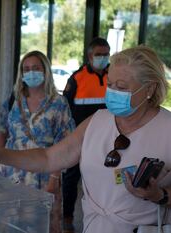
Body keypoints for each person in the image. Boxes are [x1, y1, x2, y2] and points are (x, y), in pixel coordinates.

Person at [0, 46, 171, 233]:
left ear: (150, 89)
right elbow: (48, 159)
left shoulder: (166, 129)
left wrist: (160, 195)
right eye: (110, 85)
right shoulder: (98, 121)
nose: (112, 92)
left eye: (121, 86)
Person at [0, 50, 75, 233]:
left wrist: (54, 179)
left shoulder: (59, 103)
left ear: (45, 70)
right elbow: (0, 131)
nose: (30, 72)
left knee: (42, 224)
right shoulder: (14, 100)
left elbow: (65, 144)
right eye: (26, 69)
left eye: (36, 68)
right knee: (10, 222)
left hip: (45, 173)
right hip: (11, 173)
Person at [62, 37, 110, 232]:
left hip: (106, 139)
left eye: (106, 54)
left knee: (104, 177)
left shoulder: (113, 76)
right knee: (71, 179)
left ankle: (103, 217)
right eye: (99, 54)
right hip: (80, 138)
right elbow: (65, 107)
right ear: (90, 56)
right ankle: (67, 218)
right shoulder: (77, 78)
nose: (103, 58)